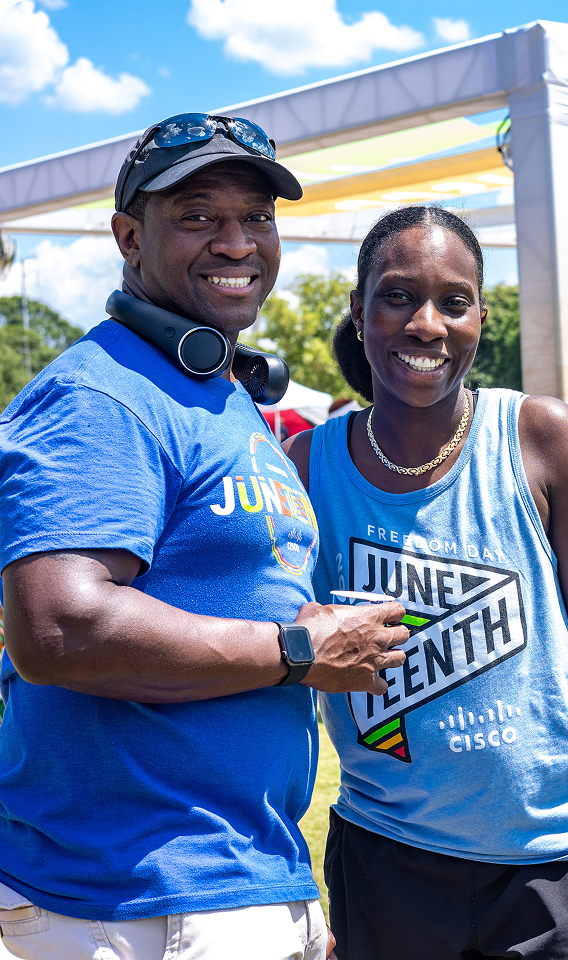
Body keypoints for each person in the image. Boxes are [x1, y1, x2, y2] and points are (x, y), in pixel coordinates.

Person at [0, 114, 412, 960]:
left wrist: (285, 893)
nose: (236, 242)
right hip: (132, 900)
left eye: (257, 217)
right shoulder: (102, 395)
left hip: (236, 882)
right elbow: (58, 628)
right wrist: (299, 648)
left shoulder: (225, 398)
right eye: (197, 216)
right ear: (128, 236)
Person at [284, 206, 568, 960]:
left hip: (553, 865)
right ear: (359, 314)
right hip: (385, 861)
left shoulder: (541, 437)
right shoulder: (305, 469)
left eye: (453, 302)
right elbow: (281, 672)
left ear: (480, 320)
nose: (426, 324)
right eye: (397, 297)